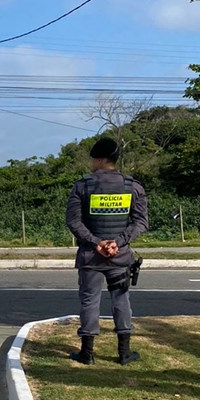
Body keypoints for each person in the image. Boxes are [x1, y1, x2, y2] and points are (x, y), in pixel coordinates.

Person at [65, 137, 148, 365]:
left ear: (100, 160)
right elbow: (140, 222)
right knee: (121, 300)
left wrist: (96, 242)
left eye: (93, 159)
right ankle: (124, 353)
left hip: (91, 257)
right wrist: (118, 242)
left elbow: (73, 221)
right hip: (120, 257)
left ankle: (87, 353)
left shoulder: (82, 186)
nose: (91, 163)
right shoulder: (133, 186)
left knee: (89, 301)